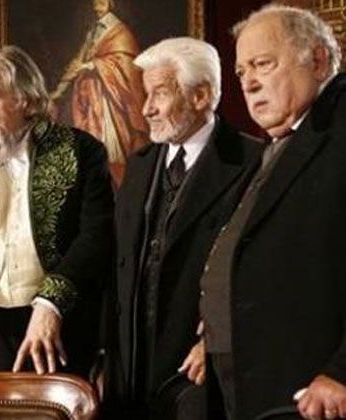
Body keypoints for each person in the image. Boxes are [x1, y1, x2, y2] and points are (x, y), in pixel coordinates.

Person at [0, 45, 114, 378]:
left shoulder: (82, 151)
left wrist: (50, 304)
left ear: (25, 99)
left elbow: (96, 236)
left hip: (57, 324)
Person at [199, 4, 346, 419]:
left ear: (318, 61)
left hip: (313, 393)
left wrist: (342, 372)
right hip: (250, 382)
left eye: (263, 64)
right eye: (241, 72)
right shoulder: (282, 142)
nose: (248, 83)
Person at [105, 37, 263, 419]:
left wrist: (219, 339)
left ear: (200, 96)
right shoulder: (140, 165)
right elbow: (116, 266)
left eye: (159, 93)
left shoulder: (252, 162)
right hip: (132, 370)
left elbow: (260, 271)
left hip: (198, 368)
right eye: (146, 94)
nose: (146, 109)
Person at [51, 0, 148, 185]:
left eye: (102, 1)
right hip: (91, 96)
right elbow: (78, 60)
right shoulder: (93, 31)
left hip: (111, 99)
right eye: (95, 1)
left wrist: (91, 65)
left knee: (112, 149)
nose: (97, 5)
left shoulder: (120, 32)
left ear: (111, 3)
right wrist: (59, 91)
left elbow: (125, 64)